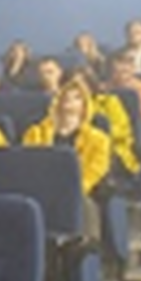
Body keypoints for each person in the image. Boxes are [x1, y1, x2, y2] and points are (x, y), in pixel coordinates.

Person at [23, 77, 111, 236]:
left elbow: (95, 170)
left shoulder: (99, 139)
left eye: (77, 97)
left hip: (79, 191)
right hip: (43, 189)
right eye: (66, 96)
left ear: (85, 104)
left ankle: (87, 246)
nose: (69, 100)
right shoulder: (35, 132)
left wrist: (72, 190)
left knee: (85, 206)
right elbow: (29, 163)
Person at [109, 50, 141, 122]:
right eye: (120, 61)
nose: (125, 67)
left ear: (134, 66)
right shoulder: (101, 91)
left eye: (130, 61)